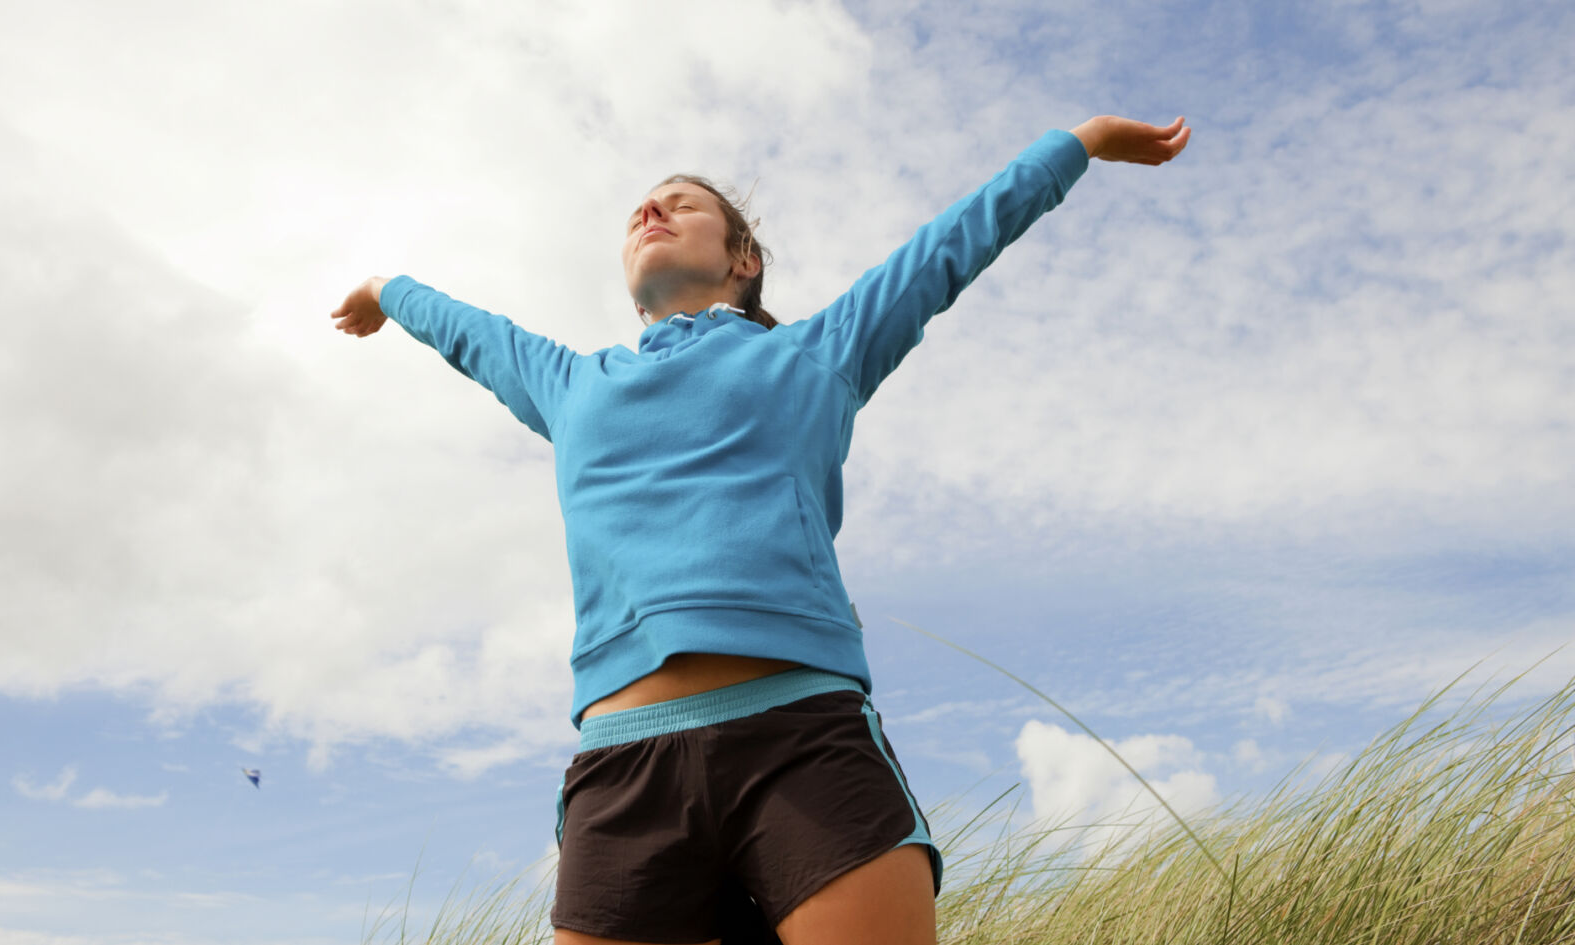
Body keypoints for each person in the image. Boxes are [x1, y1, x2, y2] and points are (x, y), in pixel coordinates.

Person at [330, 114, 1191, 945]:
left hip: (802, 742)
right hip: (623, 770)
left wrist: (1079, 143)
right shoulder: (569, 383)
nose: (650, 210)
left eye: (682, 201)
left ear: (743, 259)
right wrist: (383, 292)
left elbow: (950, 247)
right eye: (640, 208)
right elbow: (469, 333)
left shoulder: (816, 354)